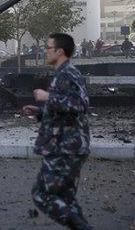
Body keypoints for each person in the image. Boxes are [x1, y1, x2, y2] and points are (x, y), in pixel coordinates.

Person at [22, 33, 92, 230]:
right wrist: (40, 112)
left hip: (66, 147)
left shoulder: (68, 74)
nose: (45, 51)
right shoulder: (62, 73)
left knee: (41, 194)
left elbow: (80, 106)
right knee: (65, 198)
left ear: (60, 51)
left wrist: (47, 97)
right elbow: (65, 111)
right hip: (67, 145)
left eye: (48, 48)